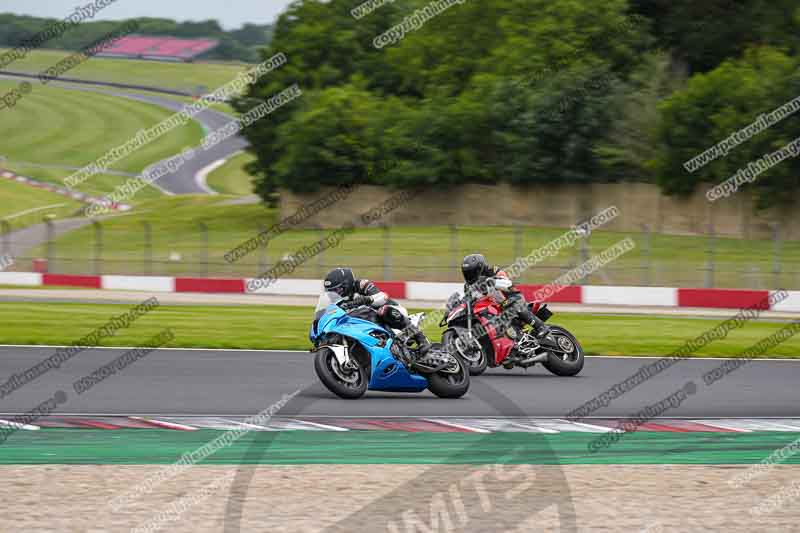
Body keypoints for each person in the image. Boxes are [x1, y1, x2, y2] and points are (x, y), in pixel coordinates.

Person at [323, 268, 431, 356]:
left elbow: (383, 297)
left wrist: (365, 300)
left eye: (337, 290)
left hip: (389, 313)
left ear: (346, 284)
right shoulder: (336, 301)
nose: (334, 293)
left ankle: (421, 339)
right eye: (331, 291)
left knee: (383, 311)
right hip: (365, 323)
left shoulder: (361, 285)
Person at [460, 253, 556, 346]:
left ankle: (541, 327)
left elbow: (507, 282)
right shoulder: (468, 286)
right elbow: (467, 299)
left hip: (511, 298)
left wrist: (493, 281)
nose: (469, 275)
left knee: (512, 306)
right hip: (493, 308)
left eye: (471, 272)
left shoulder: (492, 270)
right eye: (467, 273)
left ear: (479, 269)